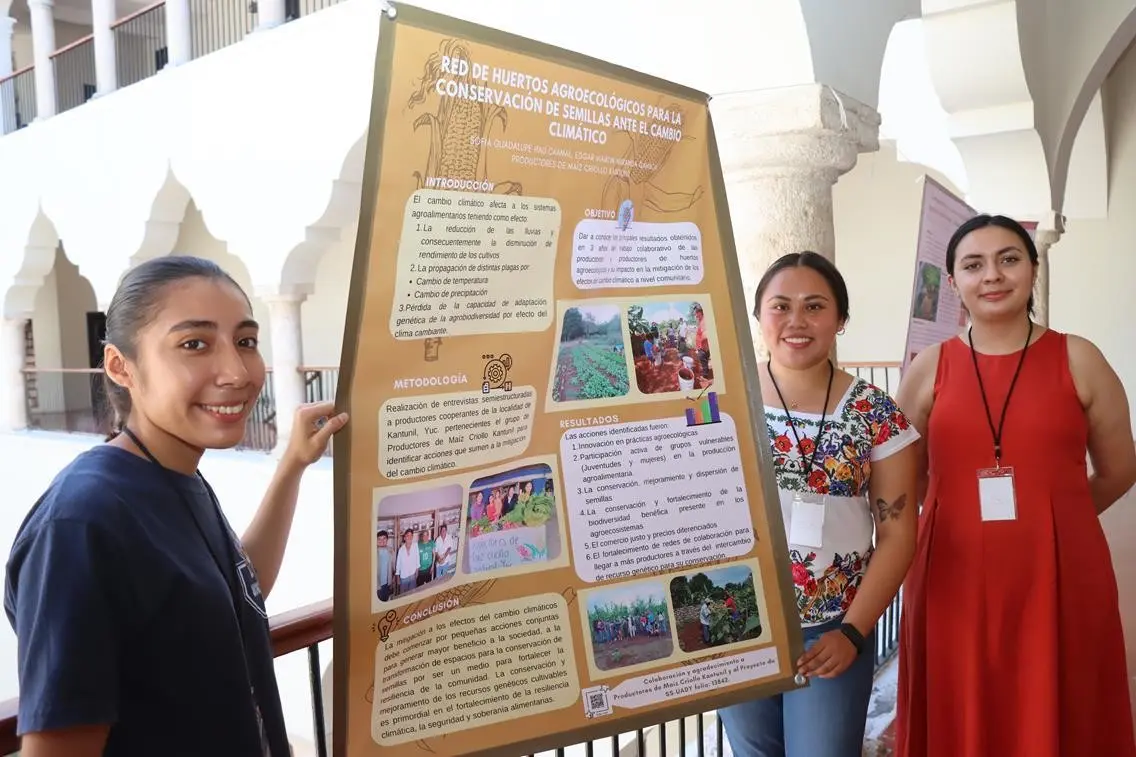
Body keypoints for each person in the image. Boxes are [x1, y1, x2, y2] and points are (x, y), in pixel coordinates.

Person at [3, 255, 348, 757]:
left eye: (246, 341)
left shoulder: (177, 476)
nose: (236, 371)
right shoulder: (82, 524)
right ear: (121, 367)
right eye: (194, 344)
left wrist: (292, 465)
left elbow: (239, 590)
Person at [894, 215, 1136, 757]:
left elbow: (1121, 468)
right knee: (961, 704)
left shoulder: (1080, 358)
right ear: (953, 282)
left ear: (1032, 268)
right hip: (952, 574)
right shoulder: (930, 369)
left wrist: (1059, 518)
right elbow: (904, 481)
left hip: (1061, 573)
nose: (993, 276)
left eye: (1009, 259)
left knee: (1065, 701)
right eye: (973, 265)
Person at [718, 251, 918, 757]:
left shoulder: (876, 412)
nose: (796, 321)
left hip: (831, 630)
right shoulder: (720, 399)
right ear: (759, 315)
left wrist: (853, 631)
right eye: (780, 306)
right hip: (735, 621)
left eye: (814, 306)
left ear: (841, 319)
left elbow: (897, 533)